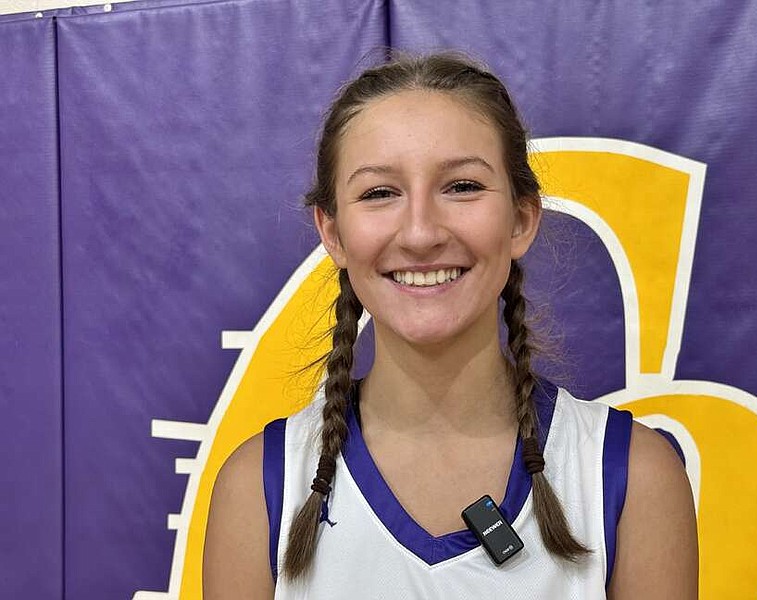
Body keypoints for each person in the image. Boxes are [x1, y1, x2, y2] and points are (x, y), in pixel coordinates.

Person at [203, 52, 698, 599]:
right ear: (334, 232)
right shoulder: (259, 486)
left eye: (461, 186)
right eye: (379, 193)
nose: (420, 233)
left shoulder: (632, 475)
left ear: (521, 219)